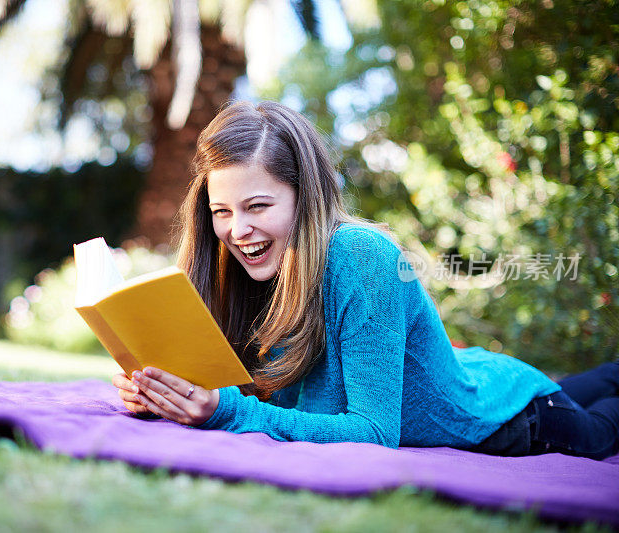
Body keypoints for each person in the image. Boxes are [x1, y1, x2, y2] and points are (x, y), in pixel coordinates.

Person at [112, 100, 619, 460]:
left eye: (258, 206)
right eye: (222, 211)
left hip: (510, 420)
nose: (237, 230)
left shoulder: (360, 257)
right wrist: (161, 392)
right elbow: (242, 391)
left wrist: (227, 412)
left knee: (601, 422)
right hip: (470, 373)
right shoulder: (241, 266)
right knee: (589, 380)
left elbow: (375, 431)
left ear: (304, 197)